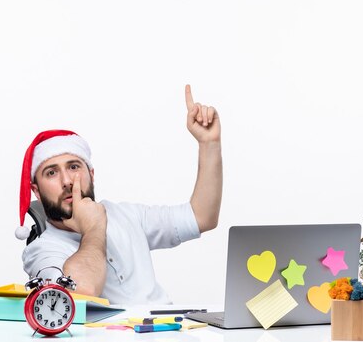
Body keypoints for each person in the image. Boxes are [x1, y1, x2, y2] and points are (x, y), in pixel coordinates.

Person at [15, 85, 222, 304]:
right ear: (36, 190)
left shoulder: (126, 215)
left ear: (91, 175)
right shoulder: (41, 251)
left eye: (74, 167)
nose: (67, 181)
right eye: (52, 172)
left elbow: (201, 217)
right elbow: (79, 295)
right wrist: (93, 228)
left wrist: (209, 143)